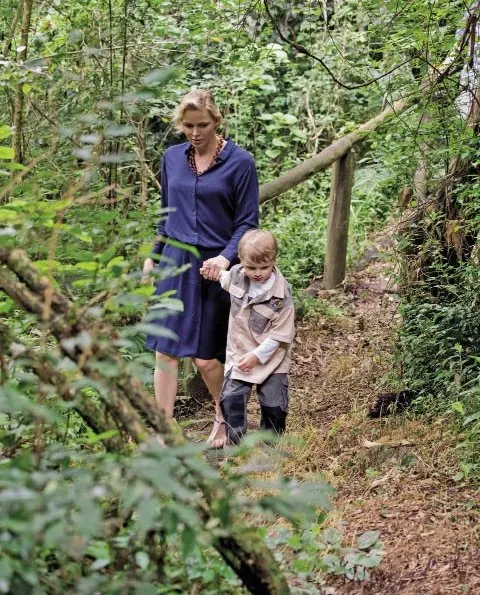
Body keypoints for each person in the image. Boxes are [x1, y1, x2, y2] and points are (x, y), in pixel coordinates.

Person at [142, 89, 259, 448]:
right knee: (166, 350)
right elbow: (166, 216)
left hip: (216, 268)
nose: (195, 133)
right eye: (188, 126)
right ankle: (163, 433)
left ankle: (226, 419)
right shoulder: (172, 158)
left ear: (216, 122)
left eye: (203, 125)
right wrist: (153, 255)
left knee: (207, 359)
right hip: (175, 264)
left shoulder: (241, 163)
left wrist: (226, 257)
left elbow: (247, 223)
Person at [200, 229, 295, 444]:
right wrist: (212, 272)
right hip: (239, 354)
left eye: (265, 267)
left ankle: (270, 452)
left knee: (274, 405)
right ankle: (235, 449)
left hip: (271, 358)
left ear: (273, 260)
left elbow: (280, 335)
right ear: (241, 261)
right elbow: (224, 279)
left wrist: (257, 356)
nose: (258, 273)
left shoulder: (281, 296)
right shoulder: (237, 276)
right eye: (251, 267)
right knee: (231, 401)